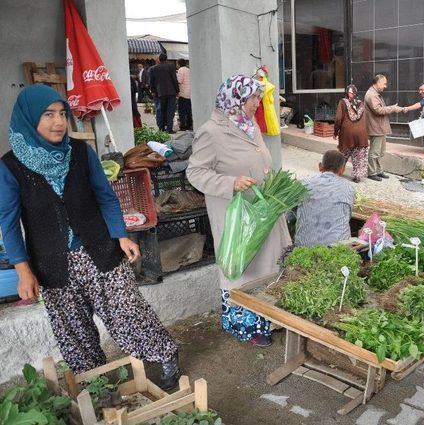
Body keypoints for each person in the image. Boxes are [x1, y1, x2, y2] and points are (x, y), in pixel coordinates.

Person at [0, 85, 179, 389]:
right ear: (29, 119)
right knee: (74, 330)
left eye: (61, 114)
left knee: (127, 310)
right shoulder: (11, 167)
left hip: (99, 250)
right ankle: (95, 385)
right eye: (48, 115)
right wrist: (23, 270)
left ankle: (165, 354)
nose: (58, 122)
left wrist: (121, 236)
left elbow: (106, 197)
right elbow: (9, 222)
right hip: (52, 263)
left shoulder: (81, 152)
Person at [186, 75, 291, 347]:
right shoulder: (212, 131)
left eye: (258, 97)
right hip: (237, 214)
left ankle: (267, 319)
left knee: (268, 264)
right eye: (253, 98)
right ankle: (245, 325)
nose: (258, 103)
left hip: (262, 209)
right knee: (244, 267)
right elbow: (195, 173)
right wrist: (230, 183)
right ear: (236, 99)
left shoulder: (249, 125)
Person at [295, 150, 355, 247]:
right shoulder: (349, 188)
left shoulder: (303, 184)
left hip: (304, 247)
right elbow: (347, 216)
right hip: (337, 250)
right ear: (342, 170)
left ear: (320, 166)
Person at [364, 74, 402, 181]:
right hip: (376, 128)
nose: (385, 86)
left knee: (380, 152)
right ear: (378, 82)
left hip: (379, 127)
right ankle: (371, 173)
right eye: (384, 83)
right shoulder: (371, 94)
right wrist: (393, 108)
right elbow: (378, 110)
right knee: (374, 152)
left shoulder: (374, 93)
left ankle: (379, 171)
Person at [334, 84, 369, 183]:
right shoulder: (361, 103)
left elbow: (338, 119)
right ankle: (357, 176)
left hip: (347, 135)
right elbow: (365, 120)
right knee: (359, 156)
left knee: (343, 154)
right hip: (361, 135)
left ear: (346, 93)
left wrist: (335, 132)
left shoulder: (342, 102)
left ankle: (337, 172)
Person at [149, 53, 179, 133]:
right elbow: (174, 79)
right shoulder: (171, 66)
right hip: (171, 91)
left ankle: (161, 128)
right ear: (166, 59)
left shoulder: (153, 68)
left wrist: (153, 91)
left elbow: (151, 82)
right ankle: (169, 129)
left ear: (159, 59)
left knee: (160, 110)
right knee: (170, 110)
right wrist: (177, 91)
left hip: (160, 93)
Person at [176, 59, 192, 131]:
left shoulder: (180, 70)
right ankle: (190, 124)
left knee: (181, 110)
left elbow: (179, 81)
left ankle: (183, 126)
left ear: (179, 64)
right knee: (189, 110)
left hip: (183, 93)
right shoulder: (189, 70)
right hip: (189, 93)